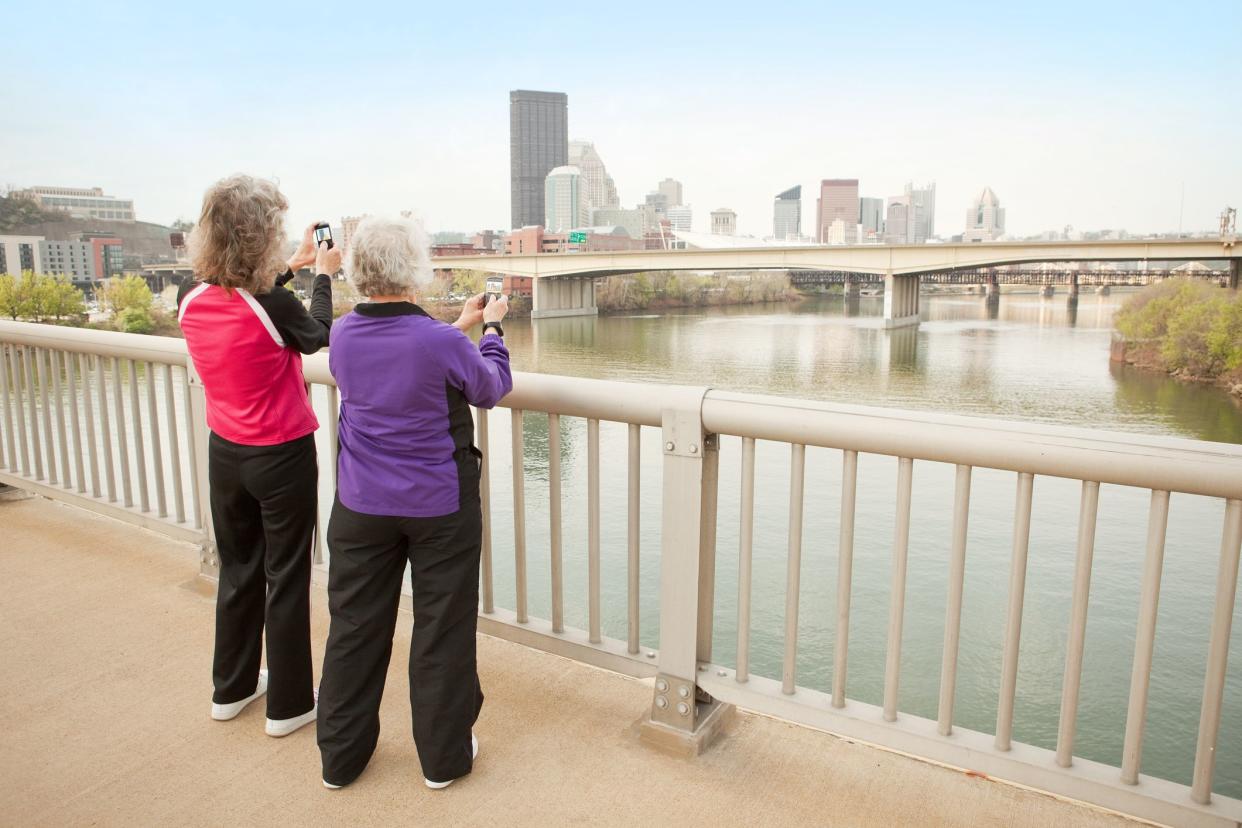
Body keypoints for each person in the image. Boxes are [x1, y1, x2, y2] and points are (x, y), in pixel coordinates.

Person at [317, 215, 512, 790]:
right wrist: (491, 331)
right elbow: (487, 388)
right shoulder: (441, 342)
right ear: (415, 269)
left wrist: (459, 326)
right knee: (441, 629)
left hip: (360, 506)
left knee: (353, 629)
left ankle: (341, 760)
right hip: (438, 509)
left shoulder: (345, 332)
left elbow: (402, 357)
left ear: (357, 273)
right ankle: (443, 760)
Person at [177, 174, 341, 737]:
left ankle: (232, 687)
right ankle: (291, 704)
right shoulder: (273, 303)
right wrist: (321, 275)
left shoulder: (190, 296)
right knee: (286, 575)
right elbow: (315, 332)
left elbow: (247, 296)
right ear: (258, 236)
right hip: (281, 455)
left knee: (239, 569)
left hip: (225, 454)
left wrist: (291, 267)